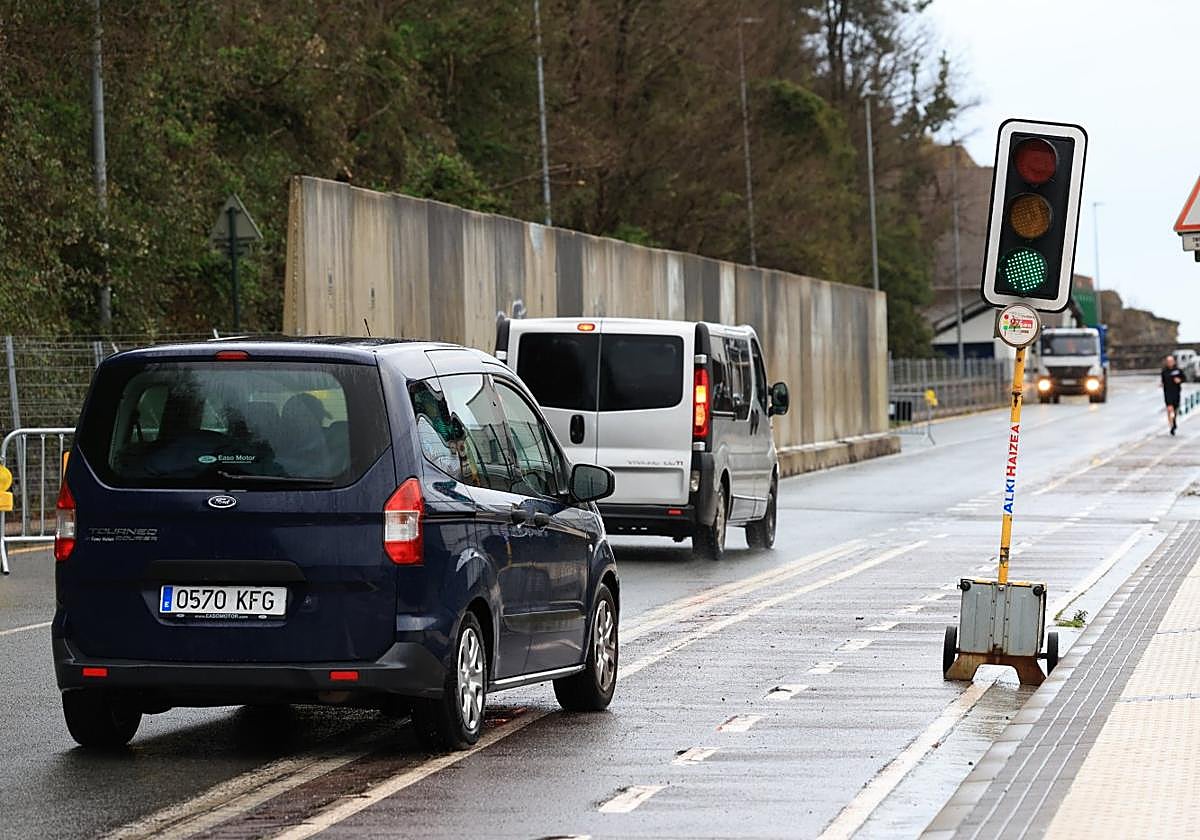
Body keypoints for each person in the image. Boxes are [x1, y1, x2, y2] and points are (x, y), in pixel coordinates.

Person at [1161, 354, 1184, 435]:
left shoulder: (1178, 370)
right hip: (1168, 393)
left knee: (1175, 410)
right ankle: (1171, 426)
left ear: (1174, 362)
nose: (1170, 363)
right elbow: (1163, 381)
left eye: (1171, 361)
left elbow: (1183, 378)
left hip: (1176, 392)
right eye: (1168, 361)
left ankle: (1174, 421)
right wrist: (1161, 384)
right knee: (1170, 409)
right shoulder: (1164, 371)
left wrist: (1179, 380)